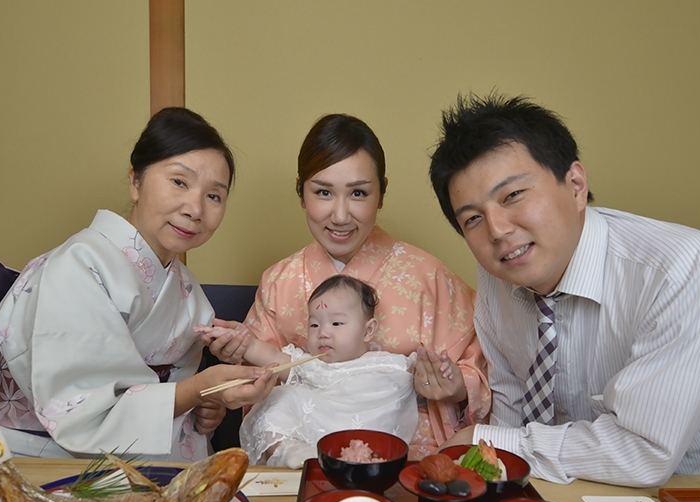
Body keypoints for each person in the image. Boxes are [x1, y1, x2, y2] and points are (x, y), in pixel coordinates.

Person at [429, 94, 700, 487]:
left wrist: (488, 441)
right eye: (473, 219)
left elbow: (643, 450)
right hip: (554, 493)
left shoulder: (686, 269)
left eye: (512, 196)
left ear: (576, 185)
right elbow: (510, 402)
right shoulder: (500, 274)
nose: (497, 230)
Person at [0, 107, 278, 460]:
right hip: (48, 457)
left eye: (214, 195)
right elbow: (83, 411)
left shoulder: (187, 290)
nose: (196, 209)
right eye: (179, 182)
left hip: (150, 455)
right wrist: (196, 391)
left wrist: (204, 406)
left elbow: (177, 397)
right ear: (135, 181)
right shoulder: (76, 266)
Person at [202, 114, 491, 459]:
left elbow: (485, 368)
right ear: (301, 192)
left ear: (381, 193)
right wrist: (239, 359)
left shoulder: (430, 277)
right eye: (323, 192)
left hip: (407, 456)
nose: (340, 215)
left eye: (358, 193)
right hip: (309, 452)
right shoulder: (280, 280)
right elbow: (261, 372)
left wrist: (456, 386)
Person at [199, 275, 419, 468]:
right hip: (311, 439)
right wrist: (241, 341)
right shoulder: (309, 364)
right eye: (314, 325)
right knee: (281, 396)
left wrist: (436, 370)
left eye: (336, 323)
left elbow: (422, 374)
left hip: (363, 436)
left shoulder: (387, 363)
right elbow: (273, 358)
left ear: (368, 330)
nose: (323, 333)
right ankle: (289, 450)